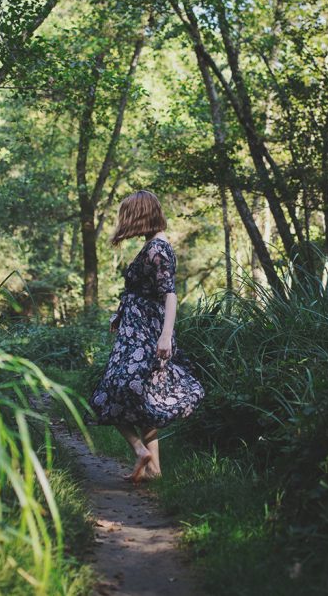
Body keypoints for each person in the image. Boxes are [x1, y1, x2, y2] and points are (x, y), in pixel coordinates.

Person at [86, 190, 205, 483]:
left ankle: (141, 451)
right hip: (134, 332)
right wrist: (120, 315)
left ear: (139, 216)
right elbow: (143, 292)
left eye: (127, 215)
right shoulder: (152, 246)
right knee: (139, 398)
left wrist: (165, 336)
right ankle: (154, 470)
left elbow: (170, 296)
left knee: (110, 392)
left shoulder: (157, 250)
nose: (122, 222)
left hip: (146, 337)